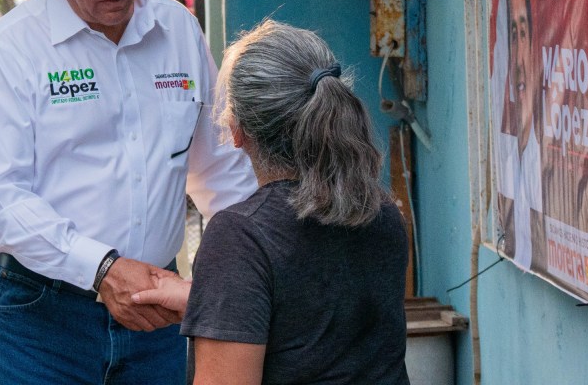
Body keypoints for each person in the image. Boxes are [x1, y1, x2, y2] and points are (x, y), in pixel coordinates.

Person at [0, 0, 257, 385]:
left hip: (156, 314)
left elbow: (221, 172)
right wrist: (102, 269)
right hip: (39, 321)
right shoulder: (10, 50)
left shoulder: (178, 30)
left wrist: (243, 273)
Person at [132, 20, 410, 385]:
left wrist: (218, 292)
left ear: (236, 131)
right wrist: (209, 300)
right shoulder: (381, 214)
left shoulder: (240, 237)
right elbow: (310, 324)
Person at [491, 0, 545, 272]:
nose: (520, 60)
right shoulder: (509, 163)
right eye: (513, 34)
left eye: (524, 33)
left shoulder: (551, 167)